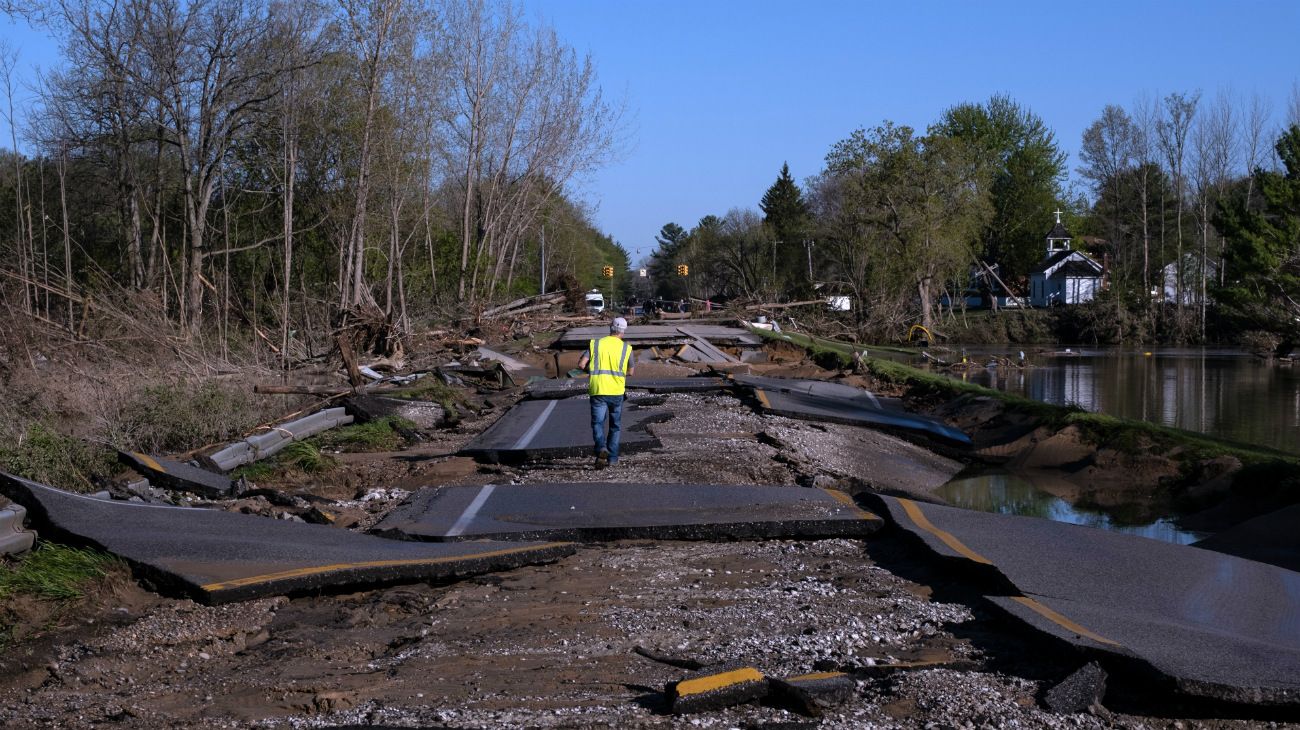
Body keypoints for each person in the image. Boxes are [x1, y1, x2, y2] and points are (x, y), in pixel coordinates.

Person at [576, 317, 635, 468]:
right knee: (615, 426)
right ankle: (613, 458)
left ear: (610, 328)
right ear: (623, 331)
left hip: (598, 390)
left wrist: (593, 370)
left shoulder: (595, 344)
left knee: (597, 423)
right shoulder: (626, 348)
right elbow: (631, 372)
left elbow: (581, 364)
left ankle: (601, 448)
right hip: (616, 392)